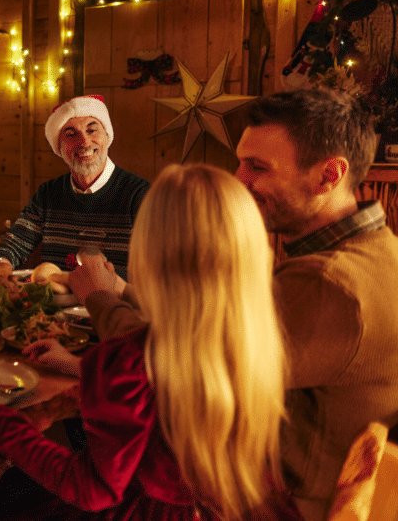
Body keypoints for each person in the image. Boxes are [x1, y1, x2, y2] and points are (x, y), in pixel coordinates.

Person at [76, 89, 398, 521]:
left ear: (328, 174)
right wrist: (126, 290)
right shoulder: (377, 252)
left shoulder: (329, 285)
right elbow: (212, 329)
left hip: (263, 505)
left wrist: (99, 298)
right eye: (242, 161)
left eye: (257, 167)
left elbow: (170, 370)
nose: (238, 178)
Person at [0, 164, 301, 521]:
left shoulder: (130, 357)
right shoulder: (258, 336)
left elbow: (93, 490)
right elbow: (174, 389)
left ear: (151, 251)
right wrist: (80, 366)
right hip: (240, 504)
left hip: (147, 509)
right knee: (14, 489)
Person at [0, 95, 148, 278]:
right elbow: (15, 244)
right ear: (59, 148)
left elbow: (156, 270)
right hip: (54, 304)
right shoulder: (48, 193)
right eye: (71, 134)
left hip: (118, 304)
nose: (84, 142)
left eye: (92, 130)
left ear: (107, 137)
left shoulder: (140, 195)